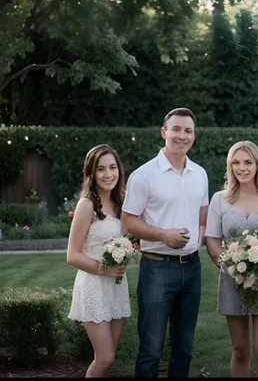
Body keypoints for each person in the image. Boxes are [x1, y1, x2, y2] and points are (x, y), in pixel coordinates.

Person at [121, 108, 209, 378]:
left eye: (188, 131)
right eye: (176, 129)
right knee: (151, 348)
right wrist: (161, 235)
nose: (182, 136)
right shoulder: (144, 175)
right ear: (164, 132)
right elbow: (128, 221)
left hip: (192, 268)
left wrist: (199, 239)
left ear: (194, 135)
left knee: (184, 347)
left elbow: (203, 216)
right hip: (157, 269)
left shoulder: (200, 173)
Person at [204, 140, 258, 378]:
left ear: (257, 165)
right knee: (240, 350)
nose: (242, 168)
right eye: (236, 163)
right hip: (232, 282)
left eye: (248, 162)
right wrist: (231, 270)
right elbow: (212, 241)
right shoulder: (219, 199)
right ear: (229, 166)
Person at [67, 144, 130, 377]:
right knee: (105, 358)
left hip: (116, 287)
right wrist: (103, 271)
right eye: (101, 169)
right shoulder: (86, 205)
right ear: (91, 173)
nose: (108, 174)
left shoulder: (121, 202)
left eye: (112, 167)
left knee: (110, 359)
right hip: (94, 285)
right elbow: (72, 255)